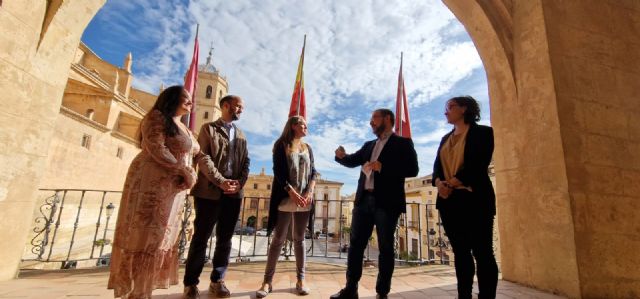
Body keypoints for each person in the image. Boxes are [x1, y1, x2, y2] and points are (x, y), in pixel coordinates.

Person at [108, 85, 199, 299]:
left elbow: (197, 152)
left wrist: (190, 173)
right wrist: (184, 170)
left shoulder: (183, 126)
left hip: (172, 190)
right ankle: (137, 292)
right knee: (146, 237)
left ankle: (143, 291)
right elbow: (156, 147)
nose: (190, 102)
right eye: (185, 99)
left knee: (159, 239)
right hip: (151, 185)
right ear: (171, 99)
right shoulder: (157, 117)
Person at [331, 109, 418, 299]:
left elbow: (413, 169)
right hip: (363, 202)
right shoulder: (369, 145)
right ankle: (350, 289)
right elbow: (353, 160)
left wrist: (384, 167)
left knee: (386, 248)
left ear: (387, 119)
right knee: (355, 246)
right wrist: (341, 156)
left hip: (386, 203)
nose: (371, 123)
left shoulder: (402, 143)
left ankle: (382, 293)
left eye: (374, 119)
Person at [182, 95, 250, 299]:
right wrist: (221, 181)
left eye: (242, 107)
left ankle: (217, 280)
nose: (240, 110)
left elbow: (246, 161)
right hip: (209, 192)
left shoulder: (241, 135)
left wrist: (239, 183)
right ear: (226, 106)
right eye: (238, 106)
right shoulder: (208, 129)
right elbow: (203, 157)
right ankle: (190, 284)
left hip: (234, 193)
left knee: (225, 239)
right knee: (201, 238)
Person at [432, 96, 498, 299]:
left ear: (464, 109)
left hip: (475, 200)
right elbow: (437, 168)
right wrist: (438, 184)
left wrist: (450, 183)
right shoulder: (445, 138)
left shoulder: (484, 133)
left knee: (483, 252)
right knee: (460, 253)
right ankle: (464, 295)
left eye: (450, 107)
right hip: (449, 202)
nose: (446, 111)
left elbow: (478, 165)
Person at [256, 116, 317, 298]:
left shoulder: (308, 148)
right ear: (293, 126)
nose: (306, 127)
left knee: (299, 239)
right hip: (286, 197)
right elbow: (279, 172)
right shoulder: (281, 144)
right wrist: (292, 193)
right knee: (278, 239)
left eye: (306, 124)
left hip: (305, 199)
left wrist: (310, 192)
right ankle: (267, 282)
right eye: (302, 124)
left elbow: (313, 171)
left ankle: (301, 280)